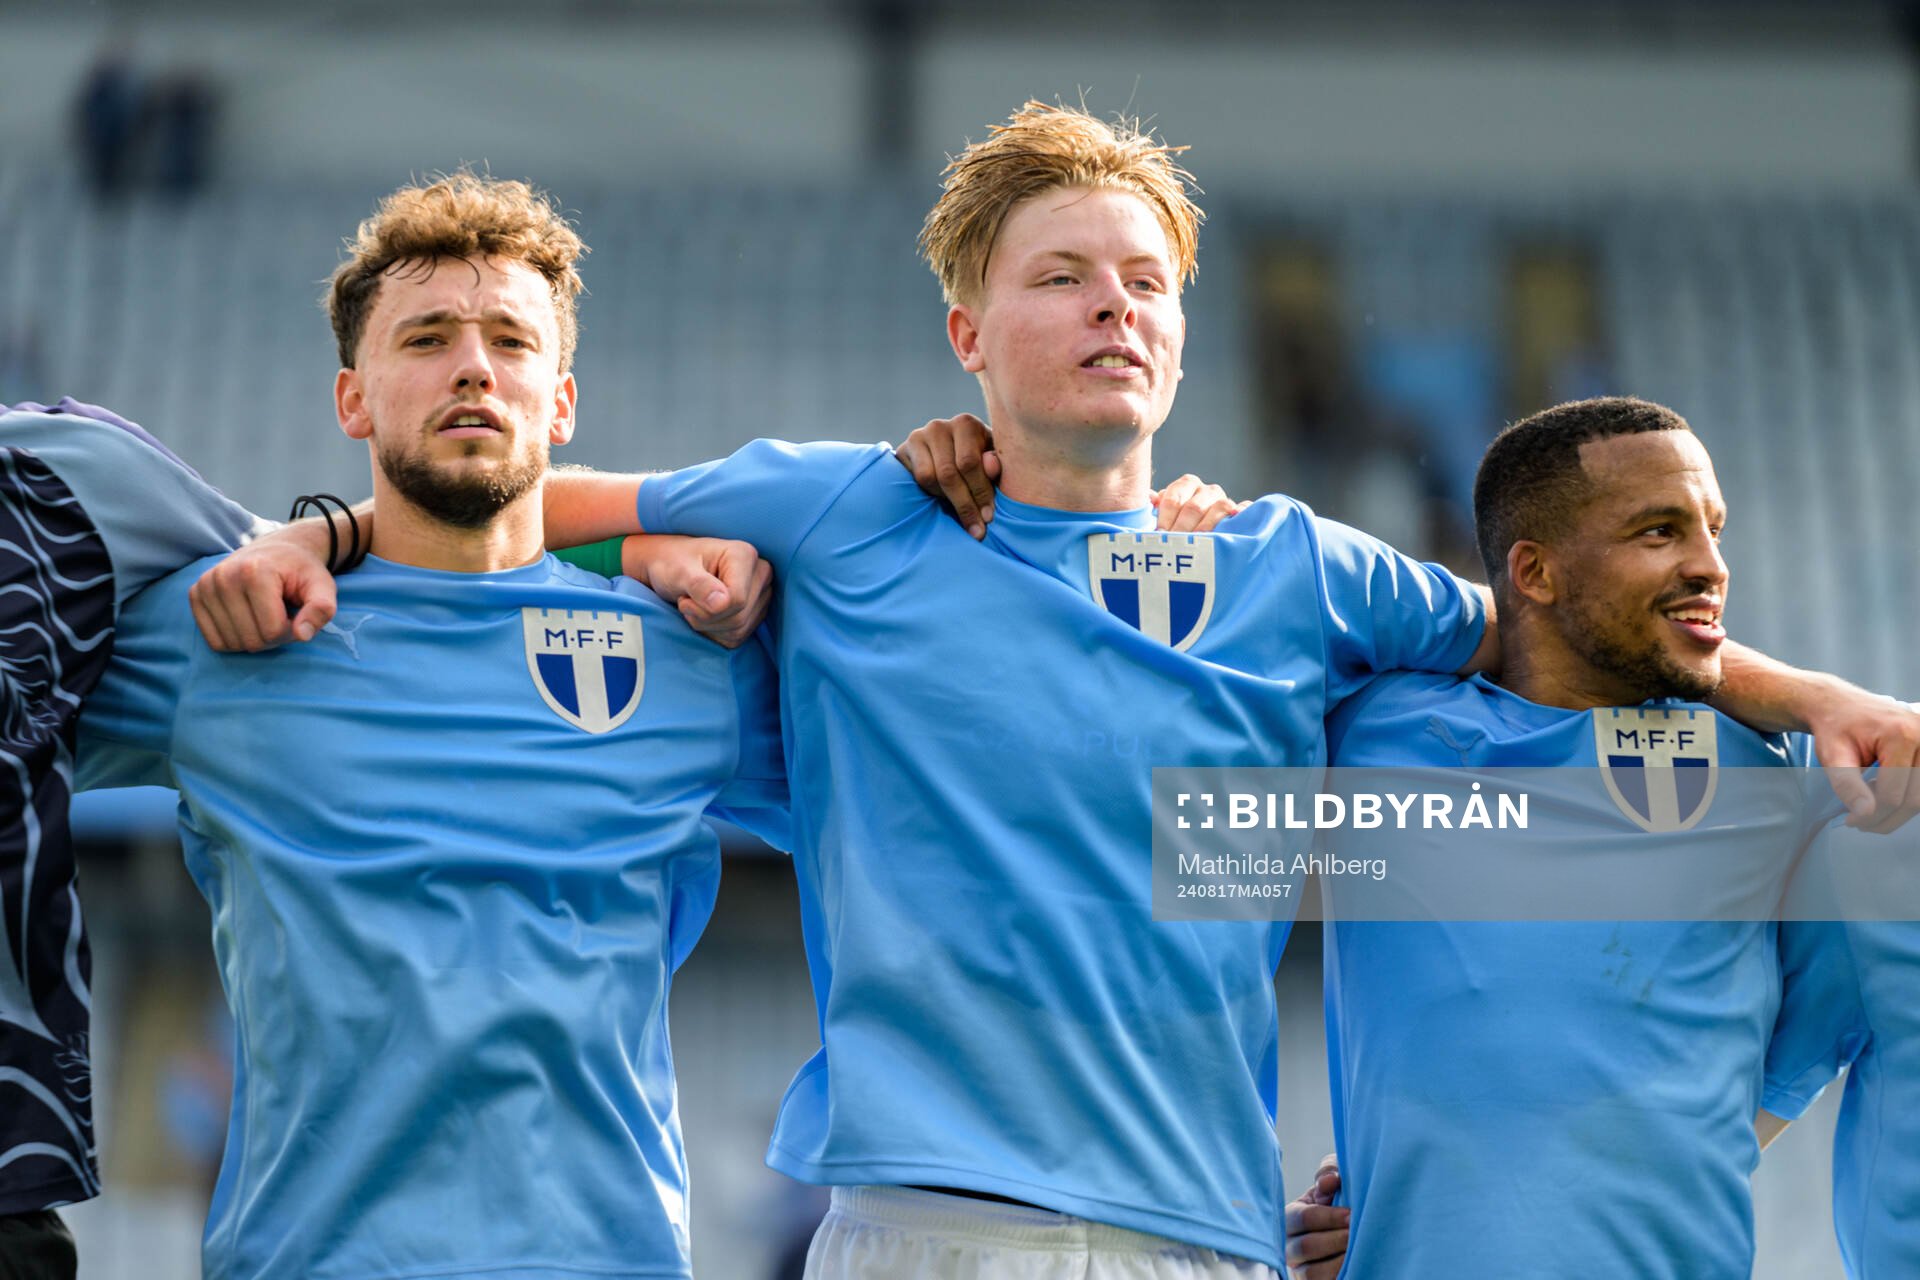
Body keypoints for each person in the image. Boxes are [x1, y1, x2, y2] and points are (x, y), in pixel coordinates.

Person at [196, 107, 1920, 1279]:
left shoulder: (1295, 569)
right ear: (968, 331)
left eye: (1147, 280)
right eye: (1061, 276)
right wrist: (344, 525)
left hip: (1206, 1234)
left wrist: (1809, 692)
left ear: (1181, 333)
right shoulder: (851, 508)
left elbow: (1552, 624)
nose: (1114, 307)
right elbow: (521, 503)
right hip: (933, 1224)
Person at [1, 174, 794, 1279]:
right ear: (352, 399)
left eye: (511, 340)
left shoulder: (690, 651)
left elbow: (934, 782)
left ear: (561, 402)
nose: (473, 363)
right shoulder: (230, 628)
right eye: (426, 335)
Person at [1283, 397, 1901, 1279]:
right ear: (1533, 573)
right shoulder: (1373, 734)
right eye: (1659, 533)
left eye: (1712, 529)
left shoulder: (1772, 770)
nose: (1710, 566)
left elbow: (1822, 1029)